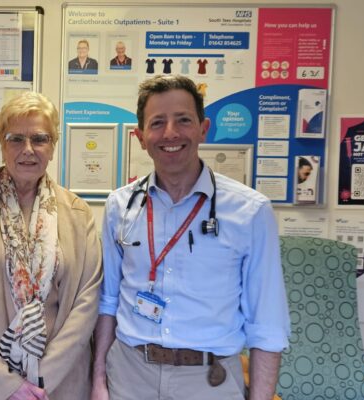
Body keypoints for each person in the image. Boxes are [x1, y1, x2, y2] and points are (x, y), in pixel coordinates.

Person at [91, 75, 289, 400]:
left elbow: (266, 325)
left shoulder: (251, 212)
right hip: (129, 376)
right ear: (140, 137)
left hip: (210, 381)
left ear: (203, 128)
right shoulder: (119, 206)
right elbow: (108, 301)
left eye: (183, 120)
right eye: (157, 123)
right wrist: (99, 381)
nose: (170, 133)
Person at [0, 91, 102, 400]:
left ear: (52, 147)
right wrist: (6, 386)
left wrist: (41, 379)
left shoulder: (79, 213)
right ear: (1, 144)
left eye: (40, 139)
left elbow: (86, 302)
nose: (28, 150)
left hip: (57, 384)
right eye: (16, 139)